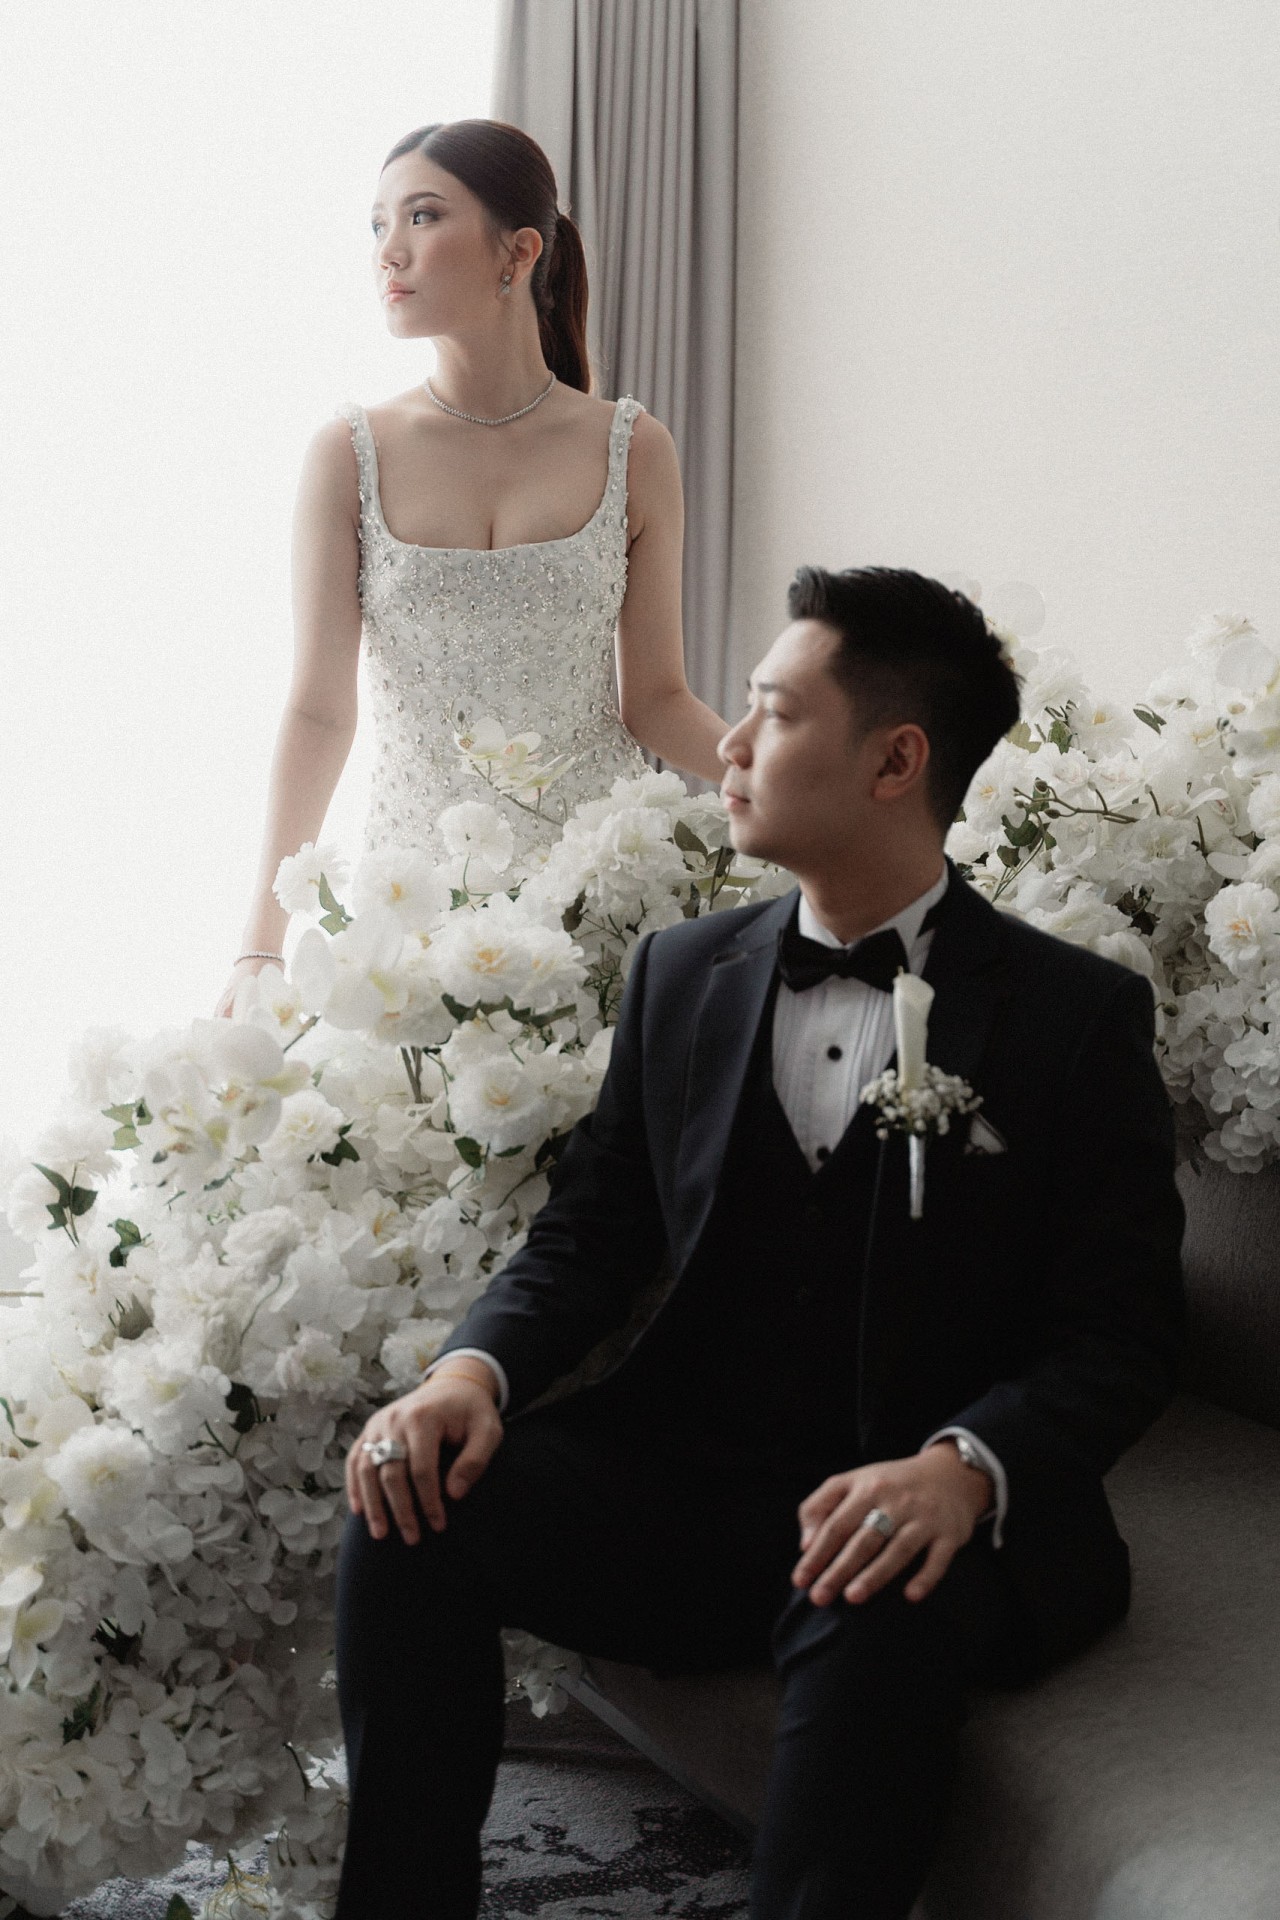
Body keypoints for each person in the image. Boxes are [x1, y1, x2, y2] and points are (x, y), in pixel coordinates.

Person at [333, 565, 1186, 1919]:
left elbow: (1122, 1334)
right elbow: (593, 1231)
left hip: (926, 1517)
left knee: (877, 1588)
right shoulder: (683, 973)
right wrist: (467, 1374)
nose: (727, 744)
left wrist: (962, 1470)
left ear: (896, 761)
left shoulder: (1071, 1019)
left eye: (774, 714)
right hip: (687, 1480)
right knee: (409, 1498)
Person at [216, 118, 726, 1015]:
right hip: (415, 912)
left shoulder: (633, 447)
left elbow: (657, 700)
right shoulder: (349, 453)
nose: (390, 250)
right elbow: (320, 710)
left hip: (602, 894)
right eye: (378, 225)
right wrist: (259, 946)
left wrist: (798, 783)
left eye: (422, 216)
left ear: (519, 251)